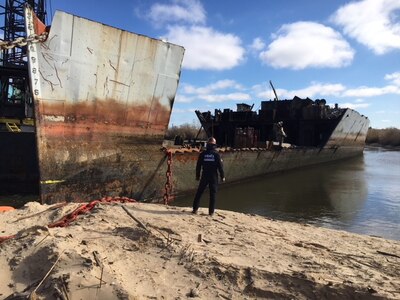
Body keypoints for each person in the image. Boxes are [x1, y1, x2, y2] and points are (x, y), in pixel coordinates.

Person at [192, 137, 225, 216]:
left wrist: (197, 176)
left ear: (207, 144)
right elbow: (220, 167)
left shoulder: (202, 154)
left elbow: (198, 166)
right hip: (213, 176)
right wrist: (222, 176)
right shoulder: (216, 155)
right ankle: (211, 212)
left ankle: (195, 209)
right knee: (213, 194)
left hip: (204, 175)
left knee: (199, 192)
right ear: (214, 145)